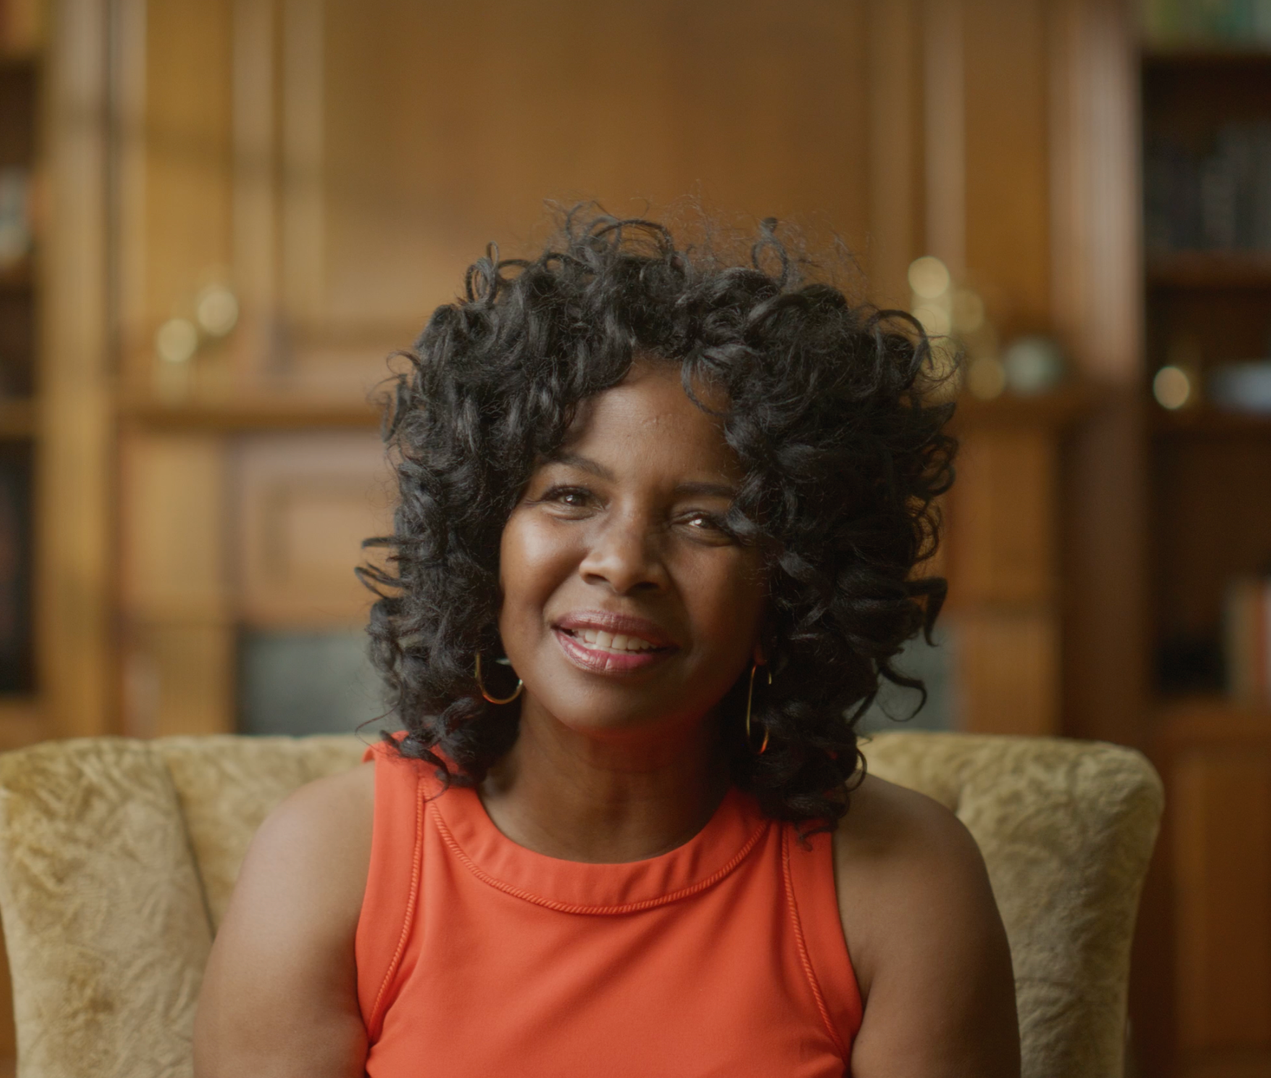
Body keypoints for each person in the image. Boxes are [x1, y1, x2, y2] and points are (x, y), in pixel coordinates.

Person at [194, 211, 1020, 1078]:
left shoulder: (902, 884)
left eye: (707, 519)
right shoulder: (330, 862)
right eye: (569, 497)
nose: (623, 563)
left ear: (797, 583)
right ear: (484, 540)